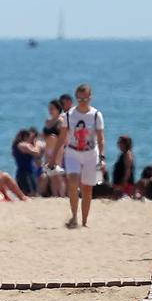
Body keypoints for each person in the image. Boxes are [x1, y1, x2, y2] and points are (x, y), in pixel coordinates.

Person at [59, 84, 104, 229]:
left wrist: (102, 158)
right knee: (72, 182)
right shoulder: (68, 115)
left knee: (87, 188)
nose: (82, 101)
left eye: (85, 98)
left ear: (90, 98)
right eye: (79, 99)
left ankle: (85, 221)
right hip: (72, 152)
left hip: (91, 153)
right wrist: (53, 156)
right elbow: (62, 137)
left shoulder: (96, 115)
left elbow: (101, 138)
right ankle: (74, 216)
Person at [11, 129, 39, 196]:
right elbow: (37, 152)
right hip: (26, 173)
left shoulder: (16, 145)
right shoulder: (23, 145)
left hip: (22, 172)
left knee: (26, 192)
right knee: (31, 192)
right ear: (25, 137)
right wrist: (35, 143)